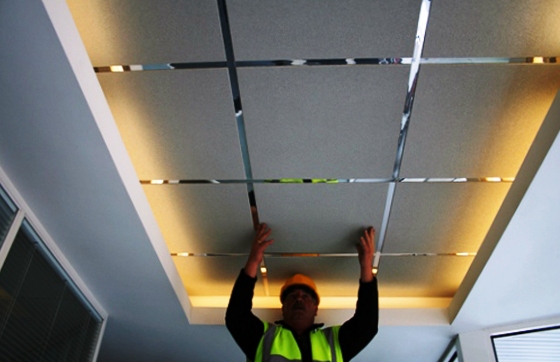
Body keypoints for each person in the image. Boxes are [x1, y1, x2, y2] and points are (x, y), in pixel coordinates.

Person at [226, 223, 378, 362]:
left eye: (306, 296)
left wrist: (366, 267)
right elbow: (236, 316)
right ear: (283, 308)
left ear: (316, 308)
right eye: (292, 296)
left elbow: (366, 325)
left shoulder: (334, 341)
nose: (299, 298)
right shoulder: (264, 338)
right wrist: (253, 262)